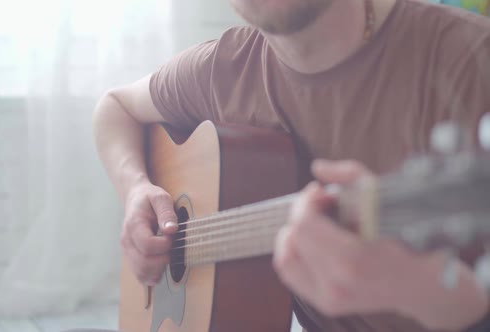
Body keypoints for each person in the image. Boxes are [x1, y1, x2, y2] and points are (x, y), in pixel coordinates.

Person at [92, 0, 490, 331]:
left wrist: (418, 286)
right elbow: (115, 107)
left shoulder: (471, 63)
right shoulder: (221, 70)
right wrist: (136, 189)